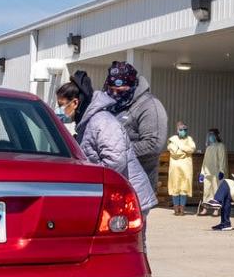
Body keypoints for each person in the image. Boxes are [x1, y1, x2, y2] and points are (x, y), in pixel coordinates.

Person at [56, 72, 157, 225]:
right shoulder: (87, 123)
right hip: (118, 197)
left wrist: (89, 177)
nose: (59, 110)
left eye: (61, 105)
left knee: (130, 246)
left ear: (75, 103)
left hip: (130, 198)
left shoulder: (101, 122)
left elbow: (115, 161)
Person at [103, 61, 168, 191]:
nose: (115, 95)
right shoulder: (111, 104)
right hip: (111, 179)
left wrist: (117, 153)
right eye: (111, 90)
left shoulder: (149, 106)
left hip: (137, 185)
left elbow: (153, 144)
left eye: (120, 91)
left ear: (132, 86)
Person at [167, 121, 196, 216]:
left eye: (185, 130)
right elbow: (175, 152)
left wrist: (181, 147)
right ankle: (176, 209)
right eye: (181, 129)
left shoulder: (189, 139)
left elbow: (192, 149)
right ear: (177, 130)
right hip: (175, 169)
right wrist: (185, 151)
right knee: (175, 188)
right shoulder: (172, 139)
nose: (183, 131)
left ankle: (182, 209)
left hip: (186, 169)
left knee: (184, 188)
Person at [198, 128, 228, 216]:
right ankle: (205, 208)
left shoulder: (220, 146)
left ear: (216, 136)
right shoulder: (209, 148)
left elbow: (222, 159)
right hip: (208, 172)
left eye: (212, 135)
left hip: (216, 173)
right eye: (209, 135)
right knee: (206, 191)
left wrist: (222, 170)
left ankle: (216, 209)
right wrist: (202, 173)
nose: (210, 137)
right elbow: (205, 162)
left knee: (216, 190)